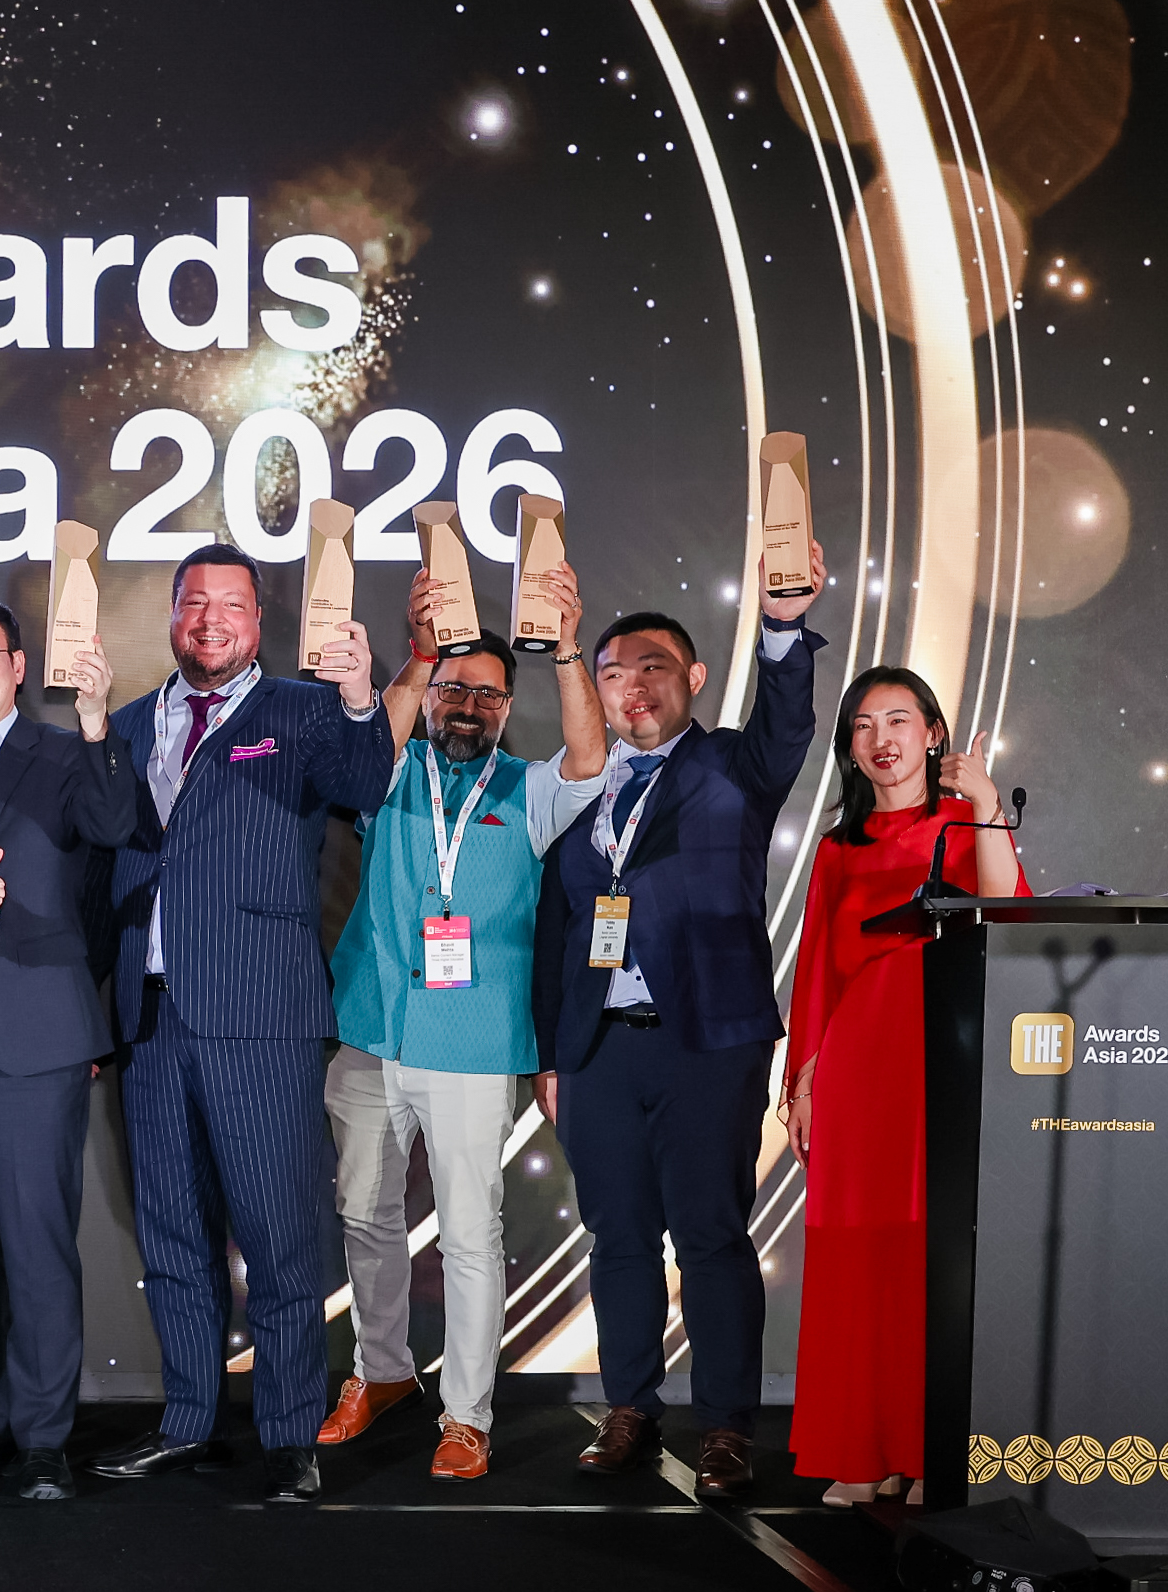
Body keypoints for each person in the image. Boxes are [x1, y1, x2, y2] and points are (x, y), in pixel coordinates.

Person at [94, 544, 391, 1504]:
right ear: (172, 616)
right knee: (173, 1233)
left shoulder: (304, 712)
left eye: (231, 605)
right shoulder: (127, 724)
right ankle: (188, 1420)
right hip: (151, 1017)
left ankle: (289, 1431)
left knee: (277, 1232)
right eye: (195, 603)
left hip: (260, 1014)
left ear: (260, 623)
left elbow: (365, 786)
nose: (210, 620)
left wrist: (359, 698)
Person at [534, 547, 826, 1500]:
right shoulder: (575, 782)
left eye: (652, 667)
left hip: (707, 1042)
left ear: (694, 677)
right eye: (613, 672)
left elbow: (788, 721)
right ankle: (630, 1408)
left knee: (710, 1235)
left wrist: (783, 625)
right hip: (598, 1049)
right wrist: (550, 1054)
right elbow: (553, 927)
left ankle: (727, 1426)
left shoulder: (736, 765)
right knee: (617, 1237)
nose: (632, 687)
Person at [318, 567, 602, 1482]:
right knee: (364, 1216)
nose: (468, 706)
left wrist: (566, 649)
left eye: (487, 694)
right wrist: (417, 655)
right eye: (452, 688)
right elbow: (374, 730)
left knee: (471, 1233)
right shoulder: (389, 770)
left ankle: (468, 1416)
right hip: (371, 1028)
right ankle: (382, 1371)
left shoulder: (531, 788)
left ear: (508, 706)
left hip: (474, 1042)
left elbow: (590, 757)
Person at [784, 667, 1023, 1507]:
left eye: (897, 720)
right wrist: (802, 1081)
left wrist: (985, 800)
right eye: (862, 725)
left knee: (931, 1255)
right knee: (857, 1256)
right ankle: (862, 1449)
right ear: (849, 748)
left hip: (941, 1065)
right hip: (855, 1071)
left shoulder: (964, 822)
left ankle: (927, 1452)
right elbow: (815, 970)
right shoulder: (836, 848)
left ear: (932, 733)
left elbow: (1009, 911)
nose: (880, 738)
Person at [0, 595, 132, 1503]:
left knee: (35, 1239)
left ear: (16, 665)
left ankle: (44, 1436)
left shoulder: (67, 754)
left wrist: (96, 721)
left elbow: (115, 828)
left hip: (36, 1031)